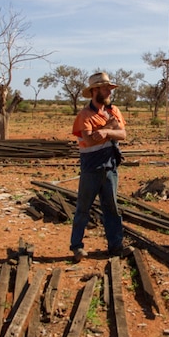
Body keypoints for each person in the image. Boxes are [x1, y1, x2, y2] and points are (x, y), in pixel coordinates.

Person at [69, 72, 129, 261]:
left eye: (109, 88)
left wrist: (104, 131)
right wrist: (110, 130)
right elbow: (88, 140)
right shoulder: (84, 115)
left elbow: (123, 134)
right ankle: (77, 247)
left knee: (112, 208)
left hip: (110, 167)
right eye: (105, 88)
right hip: (91, 168)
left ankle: (116, 246)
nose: (109, 91)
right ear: (95, 91)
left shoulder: (114, 111)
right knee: (83, 209)